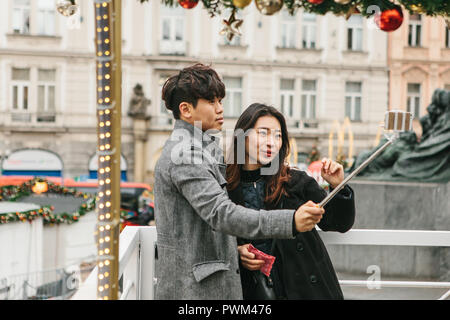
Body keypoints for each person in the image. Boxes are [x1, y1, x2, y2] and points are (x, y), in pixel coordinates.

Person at [153, 63, 326, 300]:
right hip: (193, 291)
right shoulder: (185, 154)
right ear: (186, 110)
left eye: (220, 101)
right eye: (211, 102)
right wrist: (291, 221)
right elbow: (221, 214)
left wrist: (235, 250)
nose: (220, 109)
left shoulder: (204, 147)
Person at [226, 103, 355, 300]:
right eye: (263, 133)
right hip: (253, 291)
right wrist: (235, 253)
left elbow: (338, 222)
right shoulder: (224, 186)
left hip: (304, 288)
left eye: (278, 136)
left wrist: (338, 187)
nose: (272, 142)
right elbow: (211, 238)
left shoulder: (294, 181)